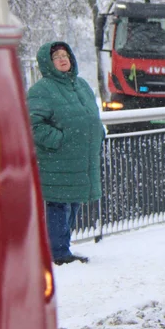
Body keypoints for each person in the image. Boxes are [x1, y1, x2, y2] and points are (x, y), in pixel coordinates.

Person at [27, 42, 104, 265]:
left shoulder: (81, 85)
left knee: (73, 203)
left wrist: (98, 132)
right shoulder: (41, 90)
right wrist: (59, 141)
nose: (62, 59)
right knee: (58, 205)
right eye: (56, 57)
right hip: (57, 161)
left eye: (65, 55)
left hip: (79, 160)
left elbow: (92, 115)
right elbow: (32, 125)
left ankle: (62, 247)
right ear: (47, 64)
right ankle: (58, 252)